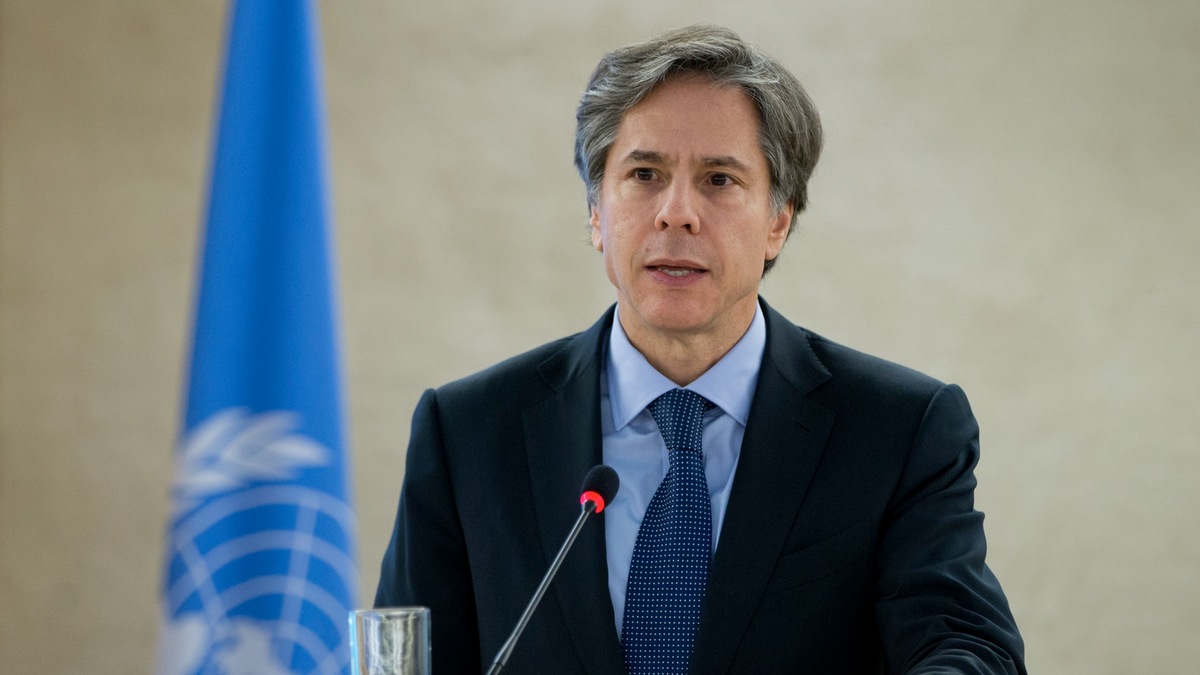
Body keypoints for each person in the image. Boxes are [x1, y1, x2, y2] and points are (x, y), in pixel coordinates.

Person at [375, 24, 1025, 674]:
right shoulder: (468, 432)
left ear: (778, 221)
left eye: (718, 179)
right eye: (645, 174)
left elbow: (969, 648)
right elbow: (405, 658)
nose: (676, 212)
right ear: (596, 213)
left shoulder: (898, 430)